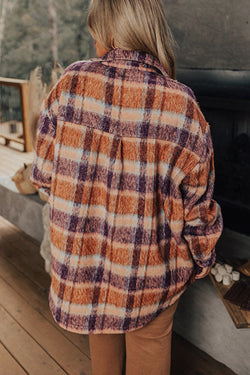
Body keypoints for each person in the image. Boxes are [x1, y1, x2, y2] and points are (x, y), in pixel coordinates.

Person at [30, 0, 223, 374]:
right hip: (153, 274)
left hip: (86, 269)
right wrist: (202, 260)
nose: (97, 45)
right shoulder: (182, 104)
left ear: (115, 32)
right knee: (149, 345)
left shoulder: (69, 84)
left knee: (101, 345)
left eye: (98, 34)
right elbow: (198, 207)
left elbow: (44, 176)